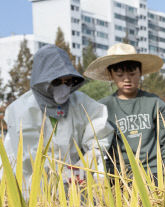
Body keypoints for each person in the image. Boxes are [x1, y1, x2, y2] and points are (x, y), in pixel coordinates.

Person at [2, 45, 111, 194]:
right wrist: (60, 174)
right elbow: (28, 158)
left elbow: (100, 132)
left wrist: (87, 160)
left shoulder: (82, 103)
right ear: (42, 81)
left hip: (77, 190)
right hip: (34, 192)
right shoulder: (21, 110)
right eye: (57, 82)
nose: (64, 88)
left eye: (68, 82)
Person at [84, 43, 165, 182]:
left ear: (140, 73)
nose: (126, 79)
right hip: (118, 175)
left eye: (132, 74)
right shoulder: (103, 107)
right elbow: (96, 143)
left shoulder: (154, 103)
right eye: (120, 75)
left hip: (152, 173)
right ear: (111, 75)